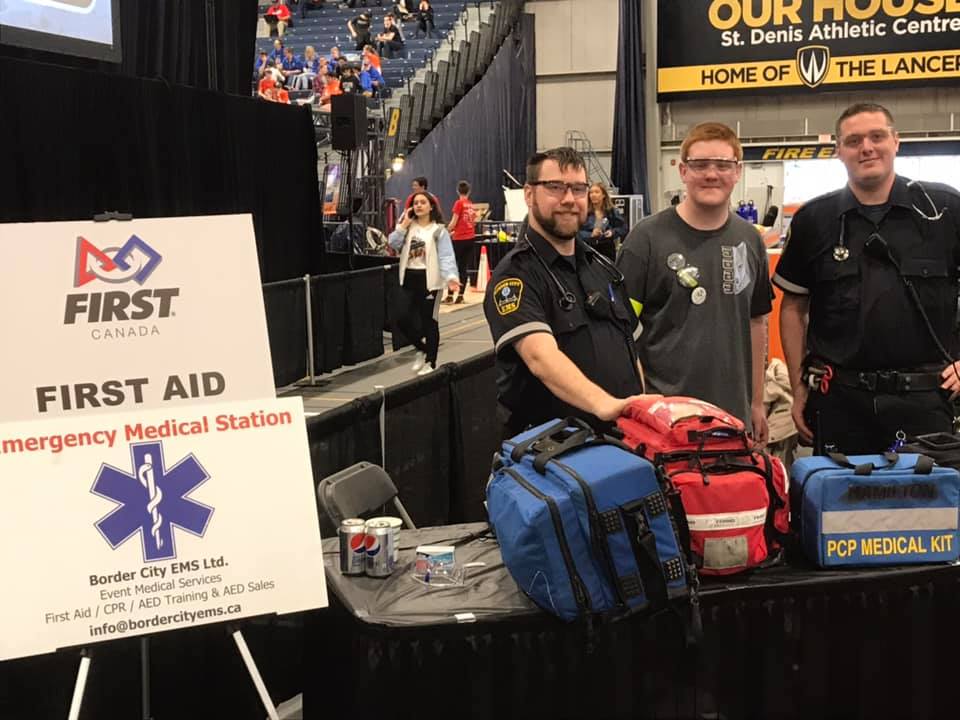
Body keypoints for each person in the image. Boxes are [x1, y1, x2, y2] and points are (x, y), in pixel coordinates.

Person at [774, 102, 960, 455]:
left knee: (924, 508)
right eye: (854, 140)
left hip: (925, 400)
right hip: (840, 401)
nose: (867, 148)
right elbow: (793, 307)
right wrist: (799, 388)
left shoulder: (945, 209)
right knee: (841, 507)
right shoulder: (814, 220)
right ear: (838, 151)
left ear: (896, 141)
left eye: (877, 136)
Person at [617, 122, 773, 445]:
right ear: (683, 170)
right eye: (700, 165)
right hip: (665, 422)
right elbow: (618, 333)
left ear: (738, 171)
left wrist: (756, 402)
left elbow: (758, 322)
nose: (711, 174)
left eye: (723, 165)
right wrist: (642, 404)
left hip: (733, 419)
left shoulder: (750, 241)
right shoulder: (645, 241)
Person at [483, 147, 647, 440]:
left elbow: (629, 350)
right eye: (556, 187)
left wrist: (641, 409)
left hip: (620, 443)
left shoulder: (602, 267)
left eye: (578, 188)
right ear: (529, 195)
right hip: (553, 460)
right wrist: (606, 405)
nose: (569, 199)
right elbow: (540, 357)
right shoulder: (515, 275)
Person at [388, 192, 460, 375]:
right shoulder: (407, 228)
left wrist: (451, 277)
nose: (419, 205)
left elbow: (446, 256)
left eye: (423, 202)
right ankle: (422, 348)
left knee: (429, 320)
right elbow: (393, 243)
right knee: (401, 318)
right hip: (409, 278)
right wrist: (403, 225)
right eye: (416, 203)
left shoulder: (439, 231)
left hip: (430, 281)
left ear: (431, 206)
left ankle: (431, 361)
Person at [445, 180, 477, 304]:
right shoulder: (470, 204)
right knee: (463, 268)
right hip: (470, 238)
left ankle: (450, 295)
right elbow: (472, 222)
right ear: (469, 191)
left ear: (458, 191)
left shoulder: (459, 203)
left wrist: (447, 231)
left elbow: (454, 221)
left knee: (452, 267)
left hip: (459, 240)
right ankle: (461, 295)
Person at [578, 182, 626, 261]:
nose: (593, 195)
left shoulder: (612, 211)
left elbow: (623, 228)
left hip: (607, 249)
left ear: (603, 195)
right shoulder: (583, 212)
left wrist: (612, 232)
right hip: (588, 248)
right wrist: (590, 234)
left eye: (596, 192)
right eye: (591, 192)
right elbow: (576, 232)